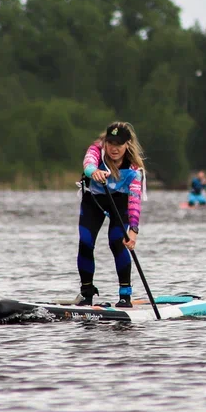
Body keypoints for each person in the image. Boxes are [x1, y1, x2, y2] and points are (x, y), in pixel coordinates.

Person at [76, 122, 145, 308]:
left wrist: (133, 231)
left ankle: (125, 296)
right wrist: (94, 172)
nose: (114, 148)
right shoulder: (96, 150)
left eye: (119, 144)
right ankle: (86, 293)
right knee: (85, 242)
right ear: (105, 142)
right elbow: (88, 165)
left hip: (120, 203)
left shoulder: (134, 170)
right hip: (94, 201)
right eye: (111, 143)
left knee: (117, 242)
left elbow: (135, 202)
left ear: (127, 144)